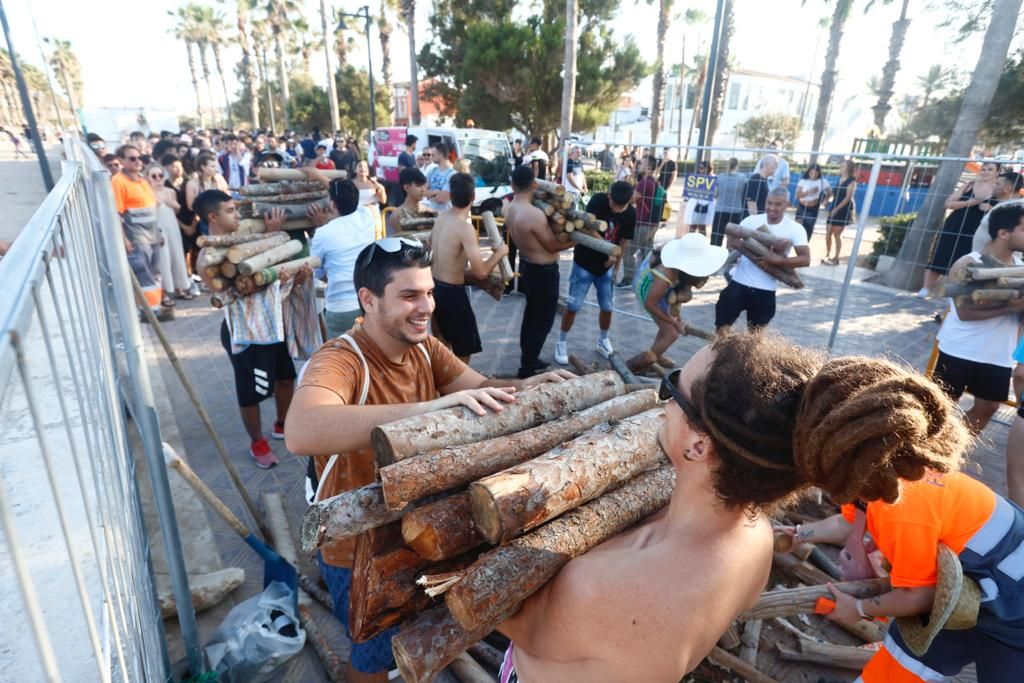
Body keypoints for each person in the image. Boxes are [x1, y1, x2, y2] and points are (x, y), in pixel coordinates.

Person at [499, 332, 992, 682]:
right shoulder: (754, 537)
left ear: (698, 447)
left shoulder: (599, 590)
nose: (663, 399)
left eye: (672, 388)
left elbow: (504, 617)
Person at [285, 237, 571, 683]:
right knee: (371, 661)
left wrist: (532, 384)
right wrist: (425, 410)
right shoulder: (342, 359)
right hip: (357, 548)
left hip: (413, 531)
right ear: (368, 299)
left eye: (429, 292)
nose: (426, 307)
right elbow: (302, 431)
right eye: (409, 295)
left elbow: (482, 385)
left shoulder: (424, 347)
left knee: (405, 643)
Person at [194, 189, 302, 468]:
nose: (237, 215)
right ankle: (257, 442)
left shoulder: (249, 237)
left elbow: (273, 274)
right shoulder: (208, 257)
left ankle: (282, 424)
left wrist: (274, 245)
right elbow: (243, 289)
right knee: (251, 391)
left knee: (286, 378)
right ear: (212, 216)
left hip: (271, 325)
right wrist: (270, 240)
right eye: (230, 211)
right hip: (244, 333)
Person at [932, 202, 1024, 436]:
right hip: (959, 349)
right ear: (1003, 233)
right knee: (938, 406)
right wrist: (1010, 306)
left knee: (988, 407)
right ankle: (920, 450)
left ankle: (949, 446)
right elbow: (964, 313)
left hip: (999, 355)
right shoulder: (967, 263)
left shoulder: (1021, 268)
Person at [554, 180, 637, 365]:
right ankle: (561, 341)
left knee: (607, 306)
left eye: (620, 207)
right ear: (608, 195)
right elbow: (587, 228)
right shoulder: (597, 201)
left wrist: (616, 265)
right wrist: (608, 249)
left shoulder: (630, 213)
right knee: (574, 305)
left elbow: (623, 242)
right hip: (584, 262)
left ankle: (603, 340)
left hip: (606, 267)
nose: (616, 210)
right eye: (613, 204)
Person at [505, 165, 576, 378]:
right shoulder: (533, 214)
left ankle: (529, 358)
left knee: (531, 315)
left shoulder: (508, 208)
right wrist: (576, 241)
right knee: (542, 321)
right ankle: (527, 368)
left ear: (512, 185)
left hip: (526, 265)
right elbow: (552, 246)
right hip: (543, 271)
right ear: (534, 184)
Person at [430, 173, 509, 362]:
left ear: (451, 194)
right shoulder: (465, 228)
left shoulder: (441, 218)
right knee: (462, 353)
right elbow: (481, 272)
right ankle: (462, 390)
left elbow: (430, 245)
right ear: (473, 197)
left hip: (434, 289)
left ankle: (442, 389)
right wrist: (500, 252)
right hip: (452, 295)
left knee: (442, 347)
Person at [626, 234, 727, 374]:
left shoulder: (679, 267)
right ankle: (644, 364)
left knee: (666, 328)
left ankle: (656, 355)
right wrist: (674, 323)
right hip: (646, 290)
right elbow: (651, 304)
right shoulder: (665, 274)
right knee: (671, 334)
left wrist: (676, 319)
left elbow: (675, 299)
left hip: (657, 290)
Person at [715, 187, 810, 330]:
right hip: (739, 283)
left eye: (778, 204)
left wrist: (778, 261)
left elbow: (805, 259)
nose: (772, 208)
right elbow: (733, 248)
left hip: (765, 290)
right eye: (769, 203)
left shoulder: (795, 229)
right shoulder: (750, 221)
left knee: (755, 339)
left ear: (787, 205)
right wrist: (731, 241)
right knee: (721, 329)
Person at [919, 161, 1001, 294]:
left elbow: (1005, 208)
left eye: (990, 169)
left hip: (979, 230)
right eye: (984, 168)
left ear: (997, 172)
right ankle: (926, 288)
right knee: (941, 254)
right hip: (956, 224)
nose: (985, 171)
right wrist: (969, 202)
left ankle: (956, 292)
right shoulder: (969, 185)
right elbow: (949, 203)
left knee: (968, 259)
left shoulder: (998, 189)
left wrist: (989, 207)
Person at [311, 179, 379, 339]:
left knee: (343, 360)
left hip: (341, 308)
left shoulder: (323, 233)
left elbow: (317, 272)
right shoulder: (367, 216)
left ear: (332, 205)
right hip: (369, 303)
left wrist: (319, 225)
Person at [111, 144, 170, 321]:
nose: (138, 162)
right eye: (132, 158)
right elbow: (116, 214)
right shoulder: (118, 182)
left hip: (153, 236)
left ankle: (155, 308)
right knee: (144, 275)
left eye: (139, 158)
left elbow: (151, 209)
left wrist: (158, 233)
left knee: (155, 274)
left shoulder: (143, 180)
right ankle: (149, 312)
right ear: (121, 161)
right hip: (137, 238)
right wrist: (125, 240)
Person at [147, 164, 192, 301]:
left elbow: (178, 209)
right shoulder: (147, 191)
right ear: (148, 178)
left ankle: (180, 287)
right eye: (153, 176)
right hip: (157, 226)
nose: (157, 178)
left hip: (172, 225)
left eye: (160, 175)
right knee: (163, 258)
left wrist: (171, 203)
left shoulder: (170, 191)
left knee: (177, 255)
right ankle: (165, 290)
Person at [620, 156, 661, 285]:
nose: (638, 165)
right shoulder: (654, 181)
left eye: (642, 163)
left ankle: (628, 279)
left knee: (628, 251)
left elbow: (632, 199)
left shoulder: (644, 182)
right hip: (652, 223)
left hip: (643, 223)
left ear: (649, 168)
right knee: (647, 253)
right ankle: (649, 279)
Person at [971, 172, 1024, 254]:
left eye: (997, 183)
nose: (993, 185)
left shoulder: (1017, 207)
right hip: (985, 258)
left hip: (994, 261)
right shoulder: (1007, 204)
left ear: (1006, 188)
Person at [822, 159, 858, 265]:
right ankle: (827, 254)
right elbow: (834, 192)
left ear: (849, 168)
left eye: (843, 166)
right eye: (841, 166)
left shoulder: (852, 181)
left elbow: (847, 198)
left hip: (843, 210)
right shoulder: (839, 178)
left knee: (837, 234)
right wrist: (826, 200)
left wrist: (836, 209)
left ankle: (836, 257)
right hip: (834, 207)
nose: (841, 167)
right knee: (828, 232)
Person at [185, 152, 230, 233]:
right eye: (212, 166)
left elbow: (228, 196)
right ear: (203, 167)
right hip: (205, 221)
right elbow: (190, 206)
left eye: (215, 166)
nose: (215, 169)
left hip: (223, 218)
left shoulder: (219, 178)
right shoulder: (192, 184)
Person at [711, 157, 747, 246]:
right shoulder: (742, 178)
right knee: (733, 241)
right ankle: (730, 258)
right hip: (735, 211)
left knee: (716, 239)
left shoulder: (720, 177)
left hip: (720, 210)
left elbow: (715, 194)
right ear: (737, 166)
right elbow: (744, 194)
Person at [386, 167, 430, 237]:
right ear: (406, 187)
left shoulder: (428, 211)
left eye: (424, 185)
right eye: (418, 186)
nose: (423, 189)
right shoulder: (397, 216)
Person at [794, 163, 832, 241]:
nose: (813, 174)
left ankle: (804, 246)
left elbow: (830, 193)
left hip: (813, 208)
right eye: (811, 172)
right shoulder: (803, 181)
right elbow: (797, 196)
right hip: (801, 207)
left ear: (819, 173)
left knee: (808, 229)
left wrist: (826, 200)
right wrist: (809, 192)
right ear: (808, 172)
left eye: (816, 172)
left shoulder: (823, 181)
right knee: (797, 227)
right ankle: (795, 244)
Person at [679, 161, 715, 237]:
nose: (700, 170)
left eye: (702, 168)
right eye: (699, 168)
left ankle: (702, 242)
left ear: (708, 169)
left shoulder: (712, 179)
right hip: (695, 204)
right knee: (693, 225)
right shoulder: (695, 178)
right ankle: (689, 242)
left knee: (702, 227)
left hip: (706, 205)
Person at [425, 143, 455, 213]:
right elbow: (422, 192)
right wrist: (436, 192)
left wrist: (430, 195)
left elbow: (443, 198)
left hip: (446, 215)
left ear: (440, 155)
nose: (431, 157)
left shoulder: (452, 174)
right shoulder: (432, 171)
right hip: (432, 213)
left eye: (433, 155)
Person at [744, 153, 776, 218]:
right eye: (775, 164)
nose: (777, 167)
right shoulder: (756, 179)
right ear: (766, 164)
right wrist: (757, 224)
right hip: (751, 224)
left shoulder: (764, 180)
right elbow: (751, 205)